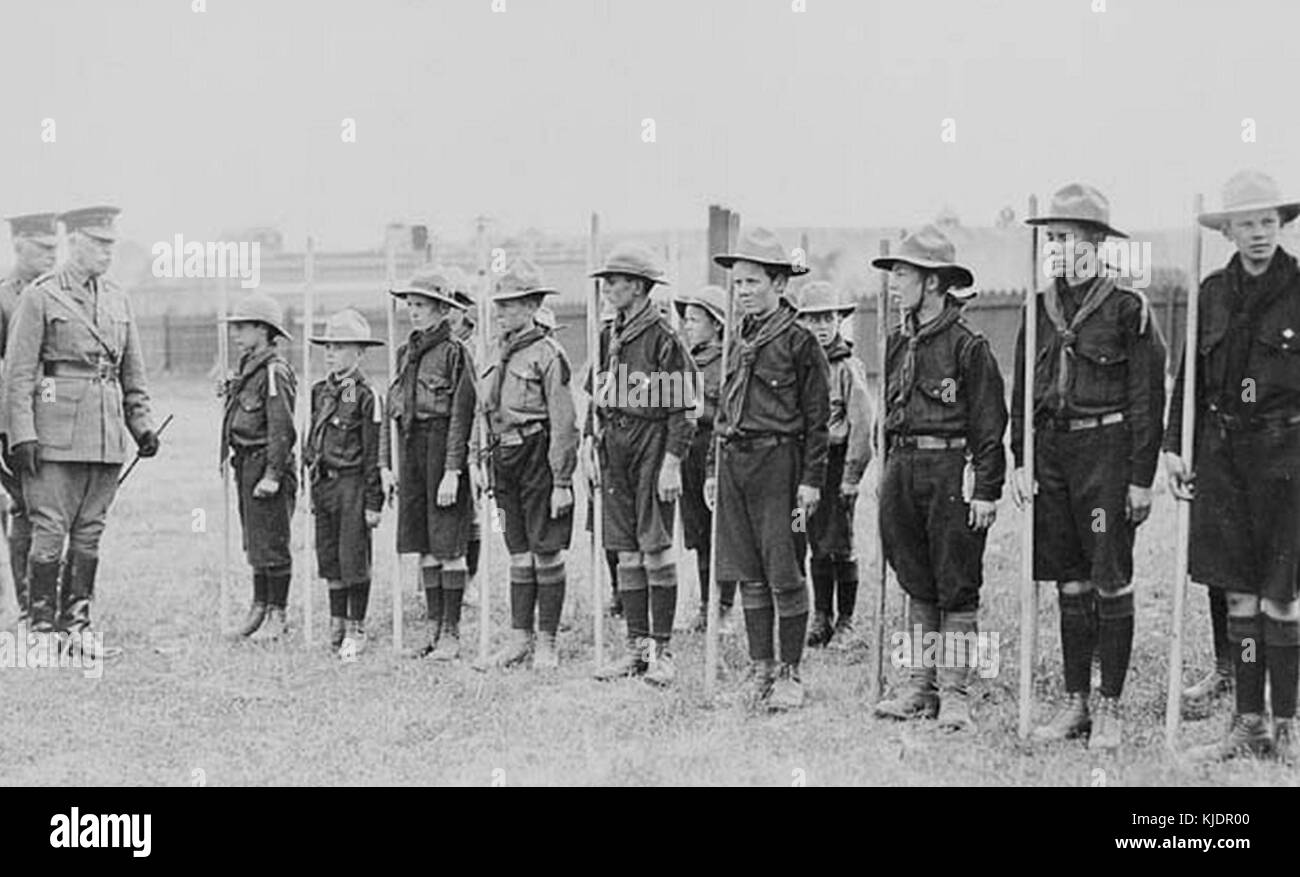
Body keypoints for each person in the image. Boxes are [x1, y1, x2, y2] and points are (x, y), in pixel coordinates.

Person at [1012, 184, 1166, 751]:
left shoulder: (1130, 310)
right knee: (1068, 579)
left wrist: (1139, 478)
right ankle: (1075, 701)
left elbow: (1149, 398)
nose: (1059, 249)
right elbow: (1023, 389)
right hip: (1053, 455)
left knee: (1108, 578)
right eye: (1052, 238)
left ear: (1099, 245)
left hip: (1106, 455)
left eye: (1070, 238)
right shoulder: (1038, 309)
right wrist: (1020, 459)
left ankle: (1110, 705)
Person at [1167, 170, 1300, 763]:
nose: (1258, 234)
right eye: (1246, 223)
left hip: (1286, 459)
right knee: (1240, 600)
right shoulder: (1212, 294)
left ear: (1281, 226)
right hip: (1223, 459)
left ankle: (1289, 726)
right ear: (1228, 231)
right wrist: (1176, 446)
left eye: (1267, 222)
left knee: (1282, 600)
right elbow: (1189, 380)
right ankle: (1248, 723)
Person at [869, 226, 1006, 731]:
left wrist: (986, 489)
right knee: (915, 578)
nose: (893, 283)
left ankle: (954, 692)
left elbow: (990, 426)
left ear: (932, 282)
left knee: (956, 583)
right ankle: (918, 686)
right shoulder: (895, 342)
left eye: (901, 273)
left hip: (951, 471)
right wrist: (885, 471)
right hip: (903, 468)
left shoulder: (969, 347)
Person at [6, 206, 158, 658]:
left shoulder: (117, 298)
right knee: (49, 531)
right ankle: (42, 630)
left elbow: (134, 372)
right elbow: (18, 374)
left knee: (90, 533)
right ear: (74, 242)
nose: (107, 252)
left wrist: (142, 424)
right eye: (98, 242)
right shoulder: (41, 296)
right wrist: (22, 435)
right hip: (53, 436)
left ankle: (77, 626)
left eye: (111, 243)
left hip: (106, 436)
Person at [704, 228, 829, 711]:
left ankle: (790, 673)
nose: (744, 291)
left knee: (783, 570)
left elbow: (818, 418)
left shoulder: (799, 342)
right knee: (748, 571)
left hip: (781, 466)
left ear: (779, 284)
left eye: (753, 282)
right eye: (738, 284)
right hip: (736, 462)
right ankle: (761, 668)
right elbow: (724, 410)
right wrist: (715, 470)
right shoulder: (738, 339)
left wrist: (812, 481)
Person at [587, 242, 696, 687]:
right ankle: (637, 649)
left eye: (614, 280)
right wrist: (588, 446)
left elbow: (683, 407)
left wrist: (672, 463)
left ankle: (662, 651)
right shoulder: (608, 334)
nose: (607, 288)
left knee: (654, 548)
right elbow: (593, 393)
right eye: (606, 281)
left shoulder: (663, 337)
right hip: (615, 446)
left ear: (637, 286)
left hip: (652, 445)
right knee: (626, 550)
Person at [481, 260, 578, 670]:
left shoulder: (548, 354)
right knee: (516, 550)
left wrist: (561, 480)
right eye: (499, 304)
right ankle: (519, 638)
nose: (500, 312)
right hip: (502, 461)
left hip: (537, 456)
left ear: (533, 306)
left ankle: (547, 642)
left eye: (510, 304)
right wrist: (477, 462)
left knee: (546, 551)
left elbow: (563, 421)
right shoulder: (491, 351)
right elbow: (481, 411)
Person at [380, 269, 476, 661]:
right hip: (412, 448)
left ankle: (452, 633)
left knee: (448, 541)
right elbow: (393, 411)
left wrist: (453, 470)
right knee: (423, 544)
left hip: (442, 448)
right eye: (410, 306)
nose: (413, 313)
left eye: (420, 306)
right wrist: (388, 464)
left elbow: (461, 415)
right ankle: (433, 629)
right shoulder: (405, 354)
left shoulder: (456, 353)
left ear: (441, 309)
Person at [794, 281, 872, 650]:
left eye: (828, 319)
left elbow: (861, 423)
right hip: (809, 466)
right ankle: (821, 617)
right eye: (812, 320)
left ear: (839, 320)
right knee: (815, 541)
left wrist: (852, 476)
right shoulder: (800, 365)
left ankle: (846, 622)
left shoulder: (847, 367)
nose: (821, 327)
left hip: (838, 463)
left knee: (840, 542)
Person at [304, 309, 385, 657]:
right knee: (330, 558)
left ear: (360, 352)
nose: (332, 353)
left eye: (340, 347)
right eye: (328, 347)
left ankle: (357, 626)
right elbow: (314, 439)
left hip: (353, 486)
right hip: (325, 485)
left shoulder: (361, 395)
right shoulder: (321, 391)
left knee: (353, 559)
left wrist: (373, 501)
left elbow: (373, 453)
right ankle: (336, 621)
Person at [220, 292, 297, 642]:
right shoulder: (248, 368)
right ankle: (259, 606)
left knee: (273, 542)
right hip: (245, 465)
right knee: (255, 541)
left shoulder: (273, 371)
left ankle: (277, 614)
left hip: (267, 466)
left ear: (264, 330)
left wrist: (272, 475)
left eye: (243, 327)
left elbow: (282, 428)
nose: (236, 333)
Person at [0, 212, 58, 627]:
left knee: (55, 510)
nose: (51, 256)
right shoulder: (4, 297)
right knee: (22, 507)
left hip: (56, 418)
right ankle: (28, 606)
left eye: (55, 249)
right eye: (42, 248)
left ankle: (54, 605)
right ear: (18, 246)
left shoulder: (61, 294)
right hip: (11, 420)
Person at [673, 284, 734, 634]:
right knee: (697, 532)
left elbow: (727, 412)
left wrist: (702, 410)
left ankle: (723, 608)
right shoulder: (683, 361)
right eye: (687, 319)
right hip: (688, 452)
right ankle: (706, 606)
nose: (689, 325)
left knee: (720, 532)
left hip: (717, 452)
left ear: (716, 324)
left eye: (696, 319)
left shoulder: (728, 362)